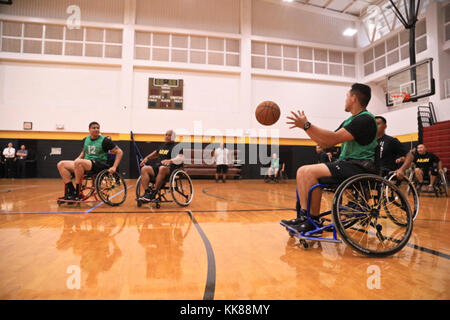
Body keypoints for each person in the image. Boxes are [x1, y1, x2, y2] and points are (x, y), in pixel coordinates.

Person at [282, 83, 378, 233]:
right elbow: (325, 142)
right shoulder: (350, 120)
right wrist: (307, 129)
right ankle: (306, 218)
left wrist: (307, 125)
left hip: (360, 166)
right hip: (347, 164)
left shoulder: (365, 119)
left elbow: (332, 139)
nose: (345, 100)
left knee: (306, 171)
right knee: (303, 172)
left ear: (353, 98)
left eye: (347, 96)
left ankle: (311, 220)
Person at [57, 122, 123, 201]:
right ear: (89, 129)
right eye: (94, 128)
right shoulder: (85, 140)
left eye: (98, 128)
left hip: (99, 164)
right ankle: (71, 191)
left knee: (79, 162)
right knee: (61, 164)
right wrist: (76, 160)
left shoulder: (105, 140)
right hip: (85, 163)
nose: (96, 129)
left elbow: (119, 152)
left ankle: (78, 193)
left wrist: (114, 167)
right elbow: (83, 153)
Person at [139, 130, 184, 202]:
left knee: (162, 168)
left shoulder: (177, 147)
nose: (167, 136)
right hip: (159, 167)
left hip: (171, 168)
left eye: (169, 135)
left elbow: (180, 158)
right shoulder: (162, 146)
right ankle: (147, 193)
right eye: (166, 134)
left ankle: (154, 193)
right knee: (144, 169)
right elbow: (156, 153)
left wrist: (170, 161)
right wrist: (147, 158)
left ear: (173, 137)